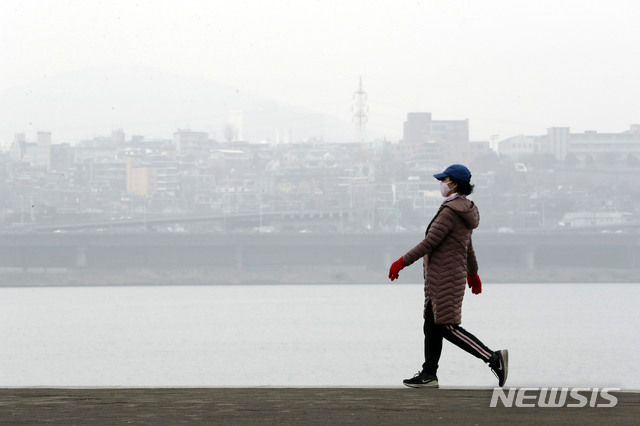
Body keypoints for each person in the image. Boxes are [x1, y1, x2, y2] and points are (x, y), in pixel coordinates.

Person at [388, 164, 508, 388]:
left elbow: (429, 242)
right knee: (431, 326)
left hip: (445, 277)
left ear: (454, 184)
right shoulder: (463, 209)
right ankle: (429, 375)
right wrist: (473, 274)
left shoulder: (450, 211)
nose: (441, 184)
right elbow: (467, 247)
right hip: (445, 276)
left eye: (445, 180)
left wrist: (401, 262)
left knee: (447, 327)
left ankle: (493, 358)